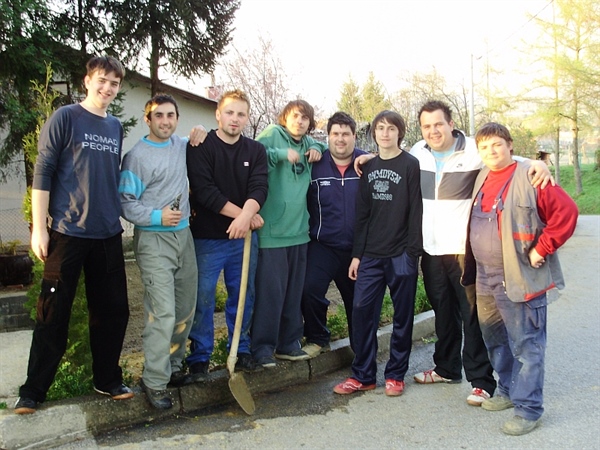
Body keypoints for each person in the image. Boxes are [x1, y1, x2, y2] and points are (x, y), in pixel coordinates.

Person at [356, 100, 552, 406]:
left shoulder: (474, 149)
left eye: (438, 124)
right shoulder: (417, 153)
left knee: (471, 314)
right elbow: (390, 157)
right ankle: (447, 368)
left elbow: (506, 158)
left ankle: (481, 381)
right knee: (442, 312)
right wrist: (369, 157)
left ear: (451, 124)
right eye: (427, 126)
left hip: (463, 251)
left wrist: (535, 164)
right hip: (431, 250)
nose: (433, 131)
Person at [15, 56, 133, 415]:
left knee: (113, 312)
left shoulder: (114, 126)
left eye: (114, 83)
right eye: (102, 80)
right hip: (67, 232)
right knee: (52, 312)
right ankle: (33, 391)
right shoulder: (66, 117)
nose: (107, 88)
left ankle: (108, 380)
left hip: (108, 233)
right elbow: (44, 171)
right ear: (87, 81)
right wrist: (38, 228)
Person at [463, 122, 578, 435]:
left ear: (510, 145)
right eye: (484, 147)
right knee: (495, 340)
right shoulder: (483, 177)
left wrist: (542, 248)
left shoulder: (531, 176)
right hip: (485, 278)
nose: (492, 152)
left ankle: (529, 409)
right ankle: (507, 391)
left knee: (527, 346)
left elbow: (567, 213)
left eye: (497, 145)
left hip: (521, 277)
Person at [334, 110, 422, 397]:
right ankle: (363, 375)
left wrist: (411, 254)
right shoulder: (368, 168)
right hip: (371, 255)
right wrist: (357, 255)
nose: (385, 133)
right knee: (361, 311)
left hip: (400, 255)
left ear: (400, 132)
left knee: (402, 316)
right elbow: (363, 215)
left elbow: (415, 213)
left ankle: (396, 374)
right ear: (373, 133)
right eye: (380, 128)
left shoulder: (411, 165)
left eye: (391, 128)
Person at [119, 94, 198, 409]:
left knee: (184, 309)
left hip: (184, 237)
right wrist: (157, 216)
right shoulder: (137, 157)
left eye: (171, 115)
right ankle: (153, 381)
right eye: (159, 116)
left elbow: (202, 138)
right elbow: (126, 203)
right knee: (162, 313)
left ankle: (173, 367)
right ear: (147, 120)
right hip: (154, 240)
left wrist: (199, 133)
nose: (165, 121)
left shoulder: (181, 146)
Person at [185, 90, 268, 378]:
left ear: (247, 118)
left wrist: (245, 219)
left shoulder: (255, 150)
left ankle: (240, 349)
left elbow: (259, 188)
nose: (235, 119)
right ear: (218, 114)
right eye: (229, 112)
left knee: (243, 294)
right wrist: (244, 216)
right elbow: (205, 192)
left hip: (243, 241)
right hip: (207, 239)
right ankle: (199, 356)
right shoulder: (201, 145)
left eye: (241, 114)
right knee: (203, 297)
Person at [251, 100, 327, 368]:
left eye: (306, 117)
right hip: (272, 232)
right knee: (270, 293)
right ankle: (261, 348)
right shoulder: (273, 133)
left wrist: (318, 147)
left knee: (293, 294)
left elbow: (328, 148)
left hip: (299, 233)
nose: (300, 121)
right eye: (295, 116)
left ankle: (288, 344)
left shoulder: (308, 143)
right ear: (285, 117)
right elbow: (253, 152)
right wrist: (282, 155)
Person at [301, 112, 367, 357]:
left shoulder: (367, 164)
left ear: (354, 136)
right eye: (335, 134)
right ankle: (318, 338)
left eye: (346, 134)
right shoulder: (315, 164)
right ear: (327, 137)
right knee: (309, 290)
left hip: (357, 249)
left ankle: (360, 349)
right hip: (323, 245)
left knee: (359, 301)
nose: (340, 139)